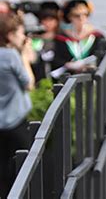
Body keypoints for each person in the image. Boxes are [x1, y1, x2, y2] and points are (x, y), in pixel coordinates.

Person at [0, 13, 36, 198]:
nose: (23, 37)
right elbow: (28, 83)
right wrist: (24, 56)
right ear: (9, 35)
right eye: (20, 33)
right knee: (23, 166)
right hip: (15, 120)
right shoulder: (10, 55)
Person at [51, 0, 106, 76]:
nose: (81, 18)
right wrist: (68, 64)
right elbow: (57, 59)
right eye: (77, 15)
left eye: (85, 14)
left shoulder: (97, 36)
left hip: (91, 77)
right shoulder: (62, 37)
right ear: (70, 17)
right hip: (68, 77)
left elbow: (101, 57)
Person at [30, 1, 61, 82]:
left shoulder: (61, 38)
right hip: (38, 76)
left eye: (51, 19)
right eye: (44, 19)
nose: (47, 23)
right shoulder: (34, 39)